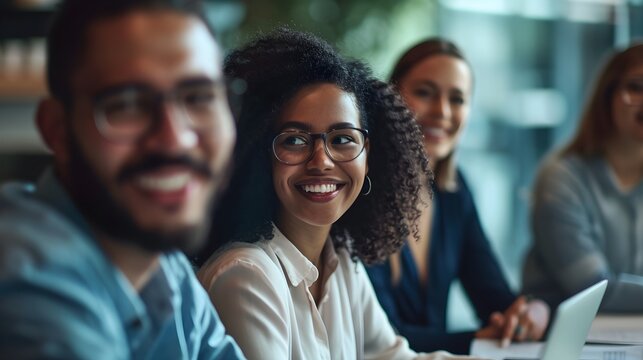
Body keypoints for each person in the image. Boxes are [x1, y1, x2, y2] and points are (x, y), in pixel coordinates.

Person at [196, 28, 476, 360]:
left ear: (367, 155)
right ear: (260, 154)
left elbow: (394, 356)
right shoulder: (246, 275)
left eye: (342, 139)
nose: (322, 162)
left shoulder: (341, 257)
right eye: (295, 140)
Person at [0, 0, 245, 358]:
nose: (176, 138)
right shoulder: (28, 285)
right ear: (57, 131)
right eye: (127, 105)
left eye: (199, 98)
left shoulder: (163, 266)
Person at [366, 38, 550, 355]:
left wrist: (531, 312)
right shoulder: (360, 193)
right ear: (390, 99)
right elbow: (378, 338)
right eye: (424, 93)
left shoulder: (454, 192)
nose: (442, 112)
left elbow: (494, 299)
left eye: (458, 99)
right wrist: (479, 339)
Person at [522, 43, 643, 312]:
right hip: (561, 344)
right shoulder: (562, 179)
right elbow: (593, 289)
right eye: (636, 87)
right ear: (607, 95)